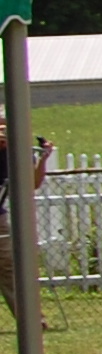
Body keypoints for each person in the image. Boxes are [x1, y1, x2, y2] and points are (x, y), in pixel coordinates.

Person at [0, 109, 45, 320]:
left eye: (6, 128)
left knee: (8, 265)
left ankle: (30, 318)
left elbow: (32, 183)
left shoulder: (18, 150)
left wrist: (43, 159)